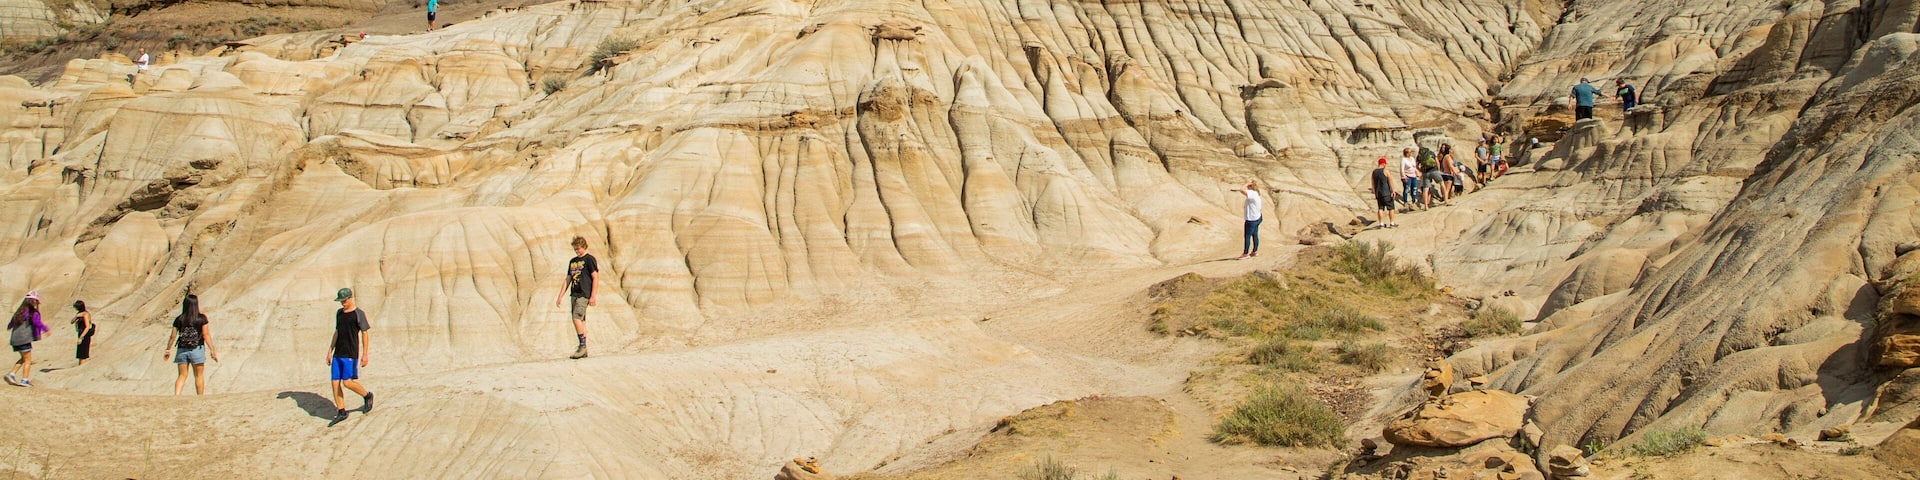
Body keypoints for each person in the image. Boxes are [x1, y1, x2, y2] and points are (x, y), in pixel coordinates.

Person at [328, 288, 374, 421]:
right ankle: (341, 411)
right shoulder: (339, 313)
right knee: (335, 382)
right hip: (338, 353)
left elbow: (365, 333)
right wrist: (330, 350)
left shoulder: (358, 314)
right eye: (341, 301)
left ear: (350, 298)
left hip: (350, 353)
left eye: (344, 300)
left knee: (347, 382)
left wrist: (365, 355)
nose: (343, 303)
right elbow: (337, 332)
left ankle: (367, 396)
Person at [163, 294, 217, 395]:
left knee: (182, 375)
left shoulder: (179, 319)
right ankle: (200, 397)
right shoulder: (201, 318)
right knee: (198, 375)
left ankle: (177, 396)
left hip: (182, 350)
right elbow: (206, 335)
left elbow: (173, 336)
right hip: (197, 349)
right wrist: (212, 350)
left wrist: (168, 350)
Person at [554, 236, 599, 359]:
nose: (577, 251)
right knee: (582, 321)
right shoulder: (572, 261)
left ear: (584, 246)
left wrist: (593, 296)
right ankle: (584, 350)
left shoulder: (589, 259)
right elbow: (568, 278)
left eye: (578, 249)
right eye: (575, 249)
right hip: (574, 294)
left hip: (584, 294)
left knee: (576, 318)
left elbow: (595, 277)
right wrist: (560, 296)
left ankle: (582, 346)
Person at [6, 292, 46, 387]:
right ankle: (24, 380)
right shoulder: (33, 312)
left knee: (24, 358)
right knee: (28, 360)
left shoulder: (19, 311)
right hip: (24, 339)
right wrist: (46, 329)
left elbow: (10, 324)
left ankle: (11, 374)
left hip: (15, 339)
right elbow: (37, 322)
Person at [1232, 181, 1263, 259]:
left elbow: (1242, 190)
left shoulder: (1252, 193)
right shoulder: (1256, 194)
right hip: (1257, 217)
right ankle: (1254, 251)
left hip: (1251, 219)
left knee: (1247, 236)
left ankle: (1245, 254)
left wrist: (1247, 183)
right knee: (1255, 235)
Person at [1370, 158, 1397, 228]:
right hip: (1386, 193)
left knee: (1380, 208)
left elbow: (1372, 183)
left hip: (1378, 193)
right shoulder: (1385, 171)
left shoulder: (1374, 172)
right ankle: (1392, 223)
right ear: (1384, 164)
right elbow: (1390, 181)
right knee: (1391, 208)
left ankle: (1381, 223)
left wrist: (1375, 192)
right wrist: (1393, 190)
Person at [73, 300, 94, 366]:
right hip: (81, 333)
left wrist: (81, 337)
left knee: (83, 353)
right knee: (80, 353)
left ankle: (81, 366)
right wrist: (76, 316)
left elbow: (87, 327)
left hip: (85, 334)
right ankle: (80, 365)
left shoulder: (85, 314)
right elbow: (72, 321)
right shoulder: (79, 314)